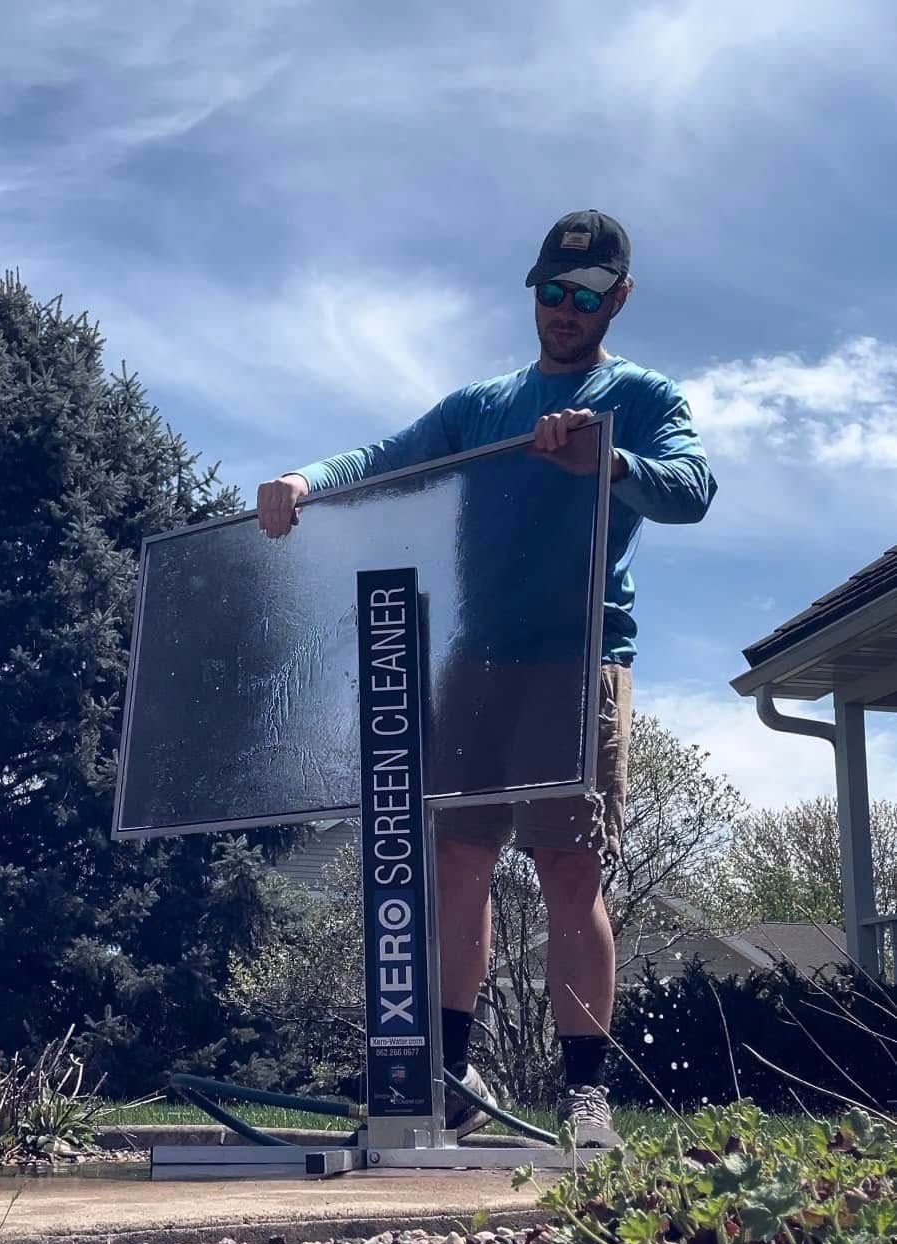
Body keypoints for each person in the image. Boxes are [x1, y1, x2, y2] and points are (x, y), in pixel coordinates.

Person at [256, 210, 716, 1146]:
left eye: (586, 295)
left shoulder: (641, 394)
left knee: (569, 865)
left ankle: (585, 1097)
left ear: (619, 299)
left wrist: (607, 459)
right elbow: (385, 457)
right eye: (552, 290)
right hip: (475, 662)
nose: (565, 309)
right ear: (535, 290)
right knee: (457, 860)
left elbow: (693, 488)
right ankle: (449, 1078)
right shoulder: (483, 403)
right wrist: (303, 481)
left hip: (579, 660)